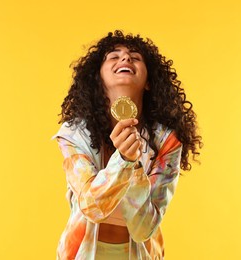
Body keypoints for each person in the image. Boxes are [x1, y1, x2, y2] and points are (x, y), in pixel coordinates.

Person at [53, 30, 202, 259]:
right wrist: (122, 161)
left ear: (149, 82)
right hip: (82, 253)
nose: (125, 59)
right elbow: (91, 208)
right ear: (98, 80)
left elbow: (144, 229)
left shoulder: (167, 141)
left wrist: (132, 164)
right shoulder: (74, 134)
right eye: (114, 56)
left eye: (135, 57)